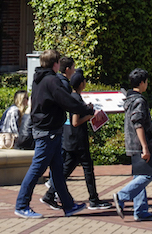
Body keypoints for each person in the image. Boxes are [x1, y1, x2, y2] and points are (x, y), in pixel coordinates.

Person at [13, 49, 90, 218]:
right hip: (49, 133)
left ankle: (69, 206)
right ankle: (21, 205)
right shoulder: (51, 81)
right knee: (36, 169)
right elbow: (66, 100)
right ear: (55, 64)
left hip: (47, 130)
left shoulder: (38, 79)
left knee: (57, 170)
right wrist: (86, 109)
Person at [42, 70, 111, 210]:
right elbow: (75, 121)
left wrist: (87, 109)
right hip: (78, 140)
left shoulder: (71, 97)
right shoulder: (76, 99)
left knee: (67, 169)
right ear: (81, 84)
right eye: (84, 81)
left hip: (70, 139)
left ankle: (49, 195)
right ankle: (93, 199)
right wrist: (91, 115)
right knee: (88, 169)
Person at [114, 67, 152, 220]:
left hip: (132, 144)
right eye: (146, 81)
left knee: (139, 176)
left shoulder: (129, 99)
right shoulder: (138, 100)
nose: (147, 84)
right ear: (141, 83)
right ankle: (121, 196)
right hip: (140, 144)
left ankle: (140, 211)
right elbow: (138, 123)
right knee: (148, 175)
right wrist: (145, 147)